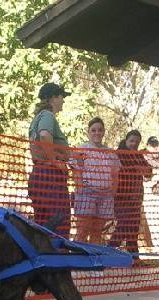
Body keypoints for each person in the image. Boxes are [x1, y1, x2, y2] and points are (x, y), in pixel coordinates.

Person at [28, 82, 72, 238]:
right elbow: (45, 135)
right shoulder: (47, 115)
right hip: (50, 176)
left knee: (43, 225)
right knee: (60, 221)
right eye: (61, 97)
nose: (63, 101)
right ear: (53, 97)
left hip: (39, 175)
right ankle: (59, 259)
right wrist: (55, 161)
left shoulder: (37, 117)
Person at [71, 117, 119, 244]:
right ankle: (77, 260)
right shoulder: (81, 149)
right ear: (88, 132)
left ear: (103, 132)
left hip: (106, 195)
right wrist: (80, 189)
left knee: (97, 231)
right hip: (87, 193)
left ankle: (95, 261)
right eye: (93, 130)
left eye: (100, 130)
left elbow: (115, 174)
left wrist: (112, 193)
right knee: (82, 230)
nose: (97, 133)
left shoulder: (110, 153)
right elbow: (76, 171)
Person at [109, 130, 153, 260]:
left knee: (133, 228)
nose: (134, 144)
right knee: (123, 225)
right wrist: (136, 168)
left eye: (137, 142)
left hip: (136, 198)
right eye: (132, 141)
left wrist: (144, 169)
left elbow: (149, 173)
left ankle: (134, 258)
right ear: (126, 140)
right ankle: (108, 251)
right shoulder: (118, 154)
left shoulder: (138, 156)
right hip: (121, 197)